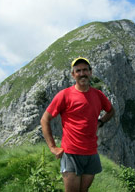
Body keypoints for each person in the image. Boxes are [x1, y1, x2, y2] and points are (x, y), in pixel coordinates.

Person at [40, 57, 115, 192]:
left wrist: (100, 122)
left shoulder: (98, 95)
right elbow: (45, 119)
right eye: (78, 71)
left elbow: (111, 111)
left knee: (84, 189)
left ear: (90, 72)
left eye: (85, 70)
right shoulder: (65, 95)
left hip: (91, 153)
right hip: (71, 153)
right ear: (73, 74)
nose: (82, 73)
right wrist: (52, 147)